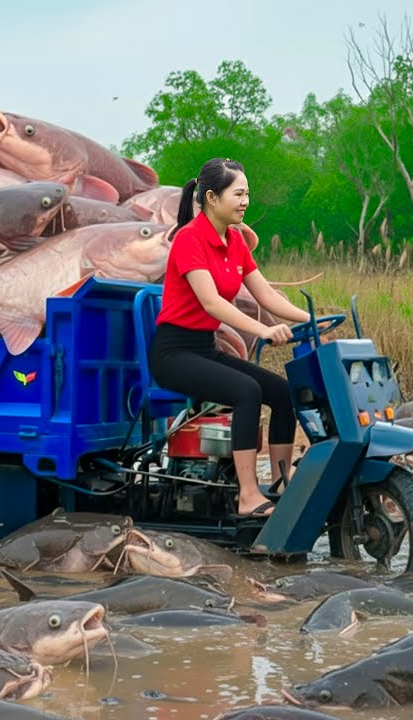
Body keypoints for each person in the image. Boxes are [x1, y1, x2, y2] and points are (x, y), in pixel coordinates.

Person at [150, 158, 314, 519]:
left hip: (205, 350)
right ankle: (248, 496)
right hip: (174, 354)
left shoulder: (235, 241)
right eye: (238, 194)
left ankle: (281, 484)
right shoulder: (189, 240)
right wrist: (264, 330)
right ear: (211, 197)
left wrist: (315, 320)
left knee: (283, 393)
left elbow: (266, 295)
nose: (245, 202)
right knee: (246, 391)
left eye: (247, 195)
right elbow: (211, 302)